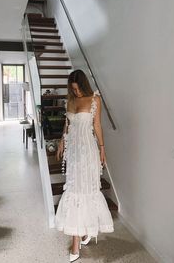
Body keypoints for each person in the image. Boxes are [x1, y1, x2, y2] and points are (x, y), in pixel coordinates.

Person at [55, 69, 114, 262]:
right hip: (73, 152)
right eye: (73, 89)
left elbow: (97, 126)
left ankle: (77, 241)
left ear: (84, 84)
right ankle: (80, 234)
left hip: (88, 151)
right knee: (74, 190)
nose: (76, 92)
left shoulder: (95, 99)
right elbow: (68, 124)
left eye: (78, 88)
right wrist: (62, 141)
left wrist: (103, 149)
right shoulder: (70, 100)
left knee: (87, 190)